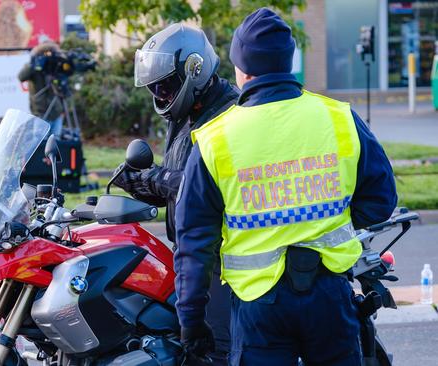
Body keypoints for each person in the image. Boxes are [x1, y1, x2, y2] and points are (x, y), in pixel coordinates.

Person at [174, 8, 397, 365]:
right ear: (287, 61)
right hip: (329, 295)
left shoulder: (216, 139)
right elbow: (381, 200)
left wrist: (191, 321)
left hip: (258, 307)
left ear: (242, 68)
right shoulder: (339, 118)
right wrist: (332, 220)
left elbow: (194, 243)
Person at [113, 24, 239, 365]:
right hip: (190, 252)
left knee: (214, 353)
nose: (161, 94)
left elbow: (212, 187)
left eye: (165, 85)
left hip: (224, 262)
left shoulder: (229, 114)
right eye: (155, 87)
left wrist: (158, 178)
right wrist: (140, 183)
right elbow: (180, 189)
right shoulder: (185, 115)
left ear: (194, 70)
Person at [18, 42, 65, 138]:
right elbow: (21, 77)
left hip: (56, 111)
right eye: (45, 53)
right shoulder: (34, 66)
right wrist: (34, 62)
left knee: (55, 142)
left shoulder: (54, 66)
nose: (47, 57)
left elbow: (62, 87)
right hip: (40, 112)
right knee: (40, 141)